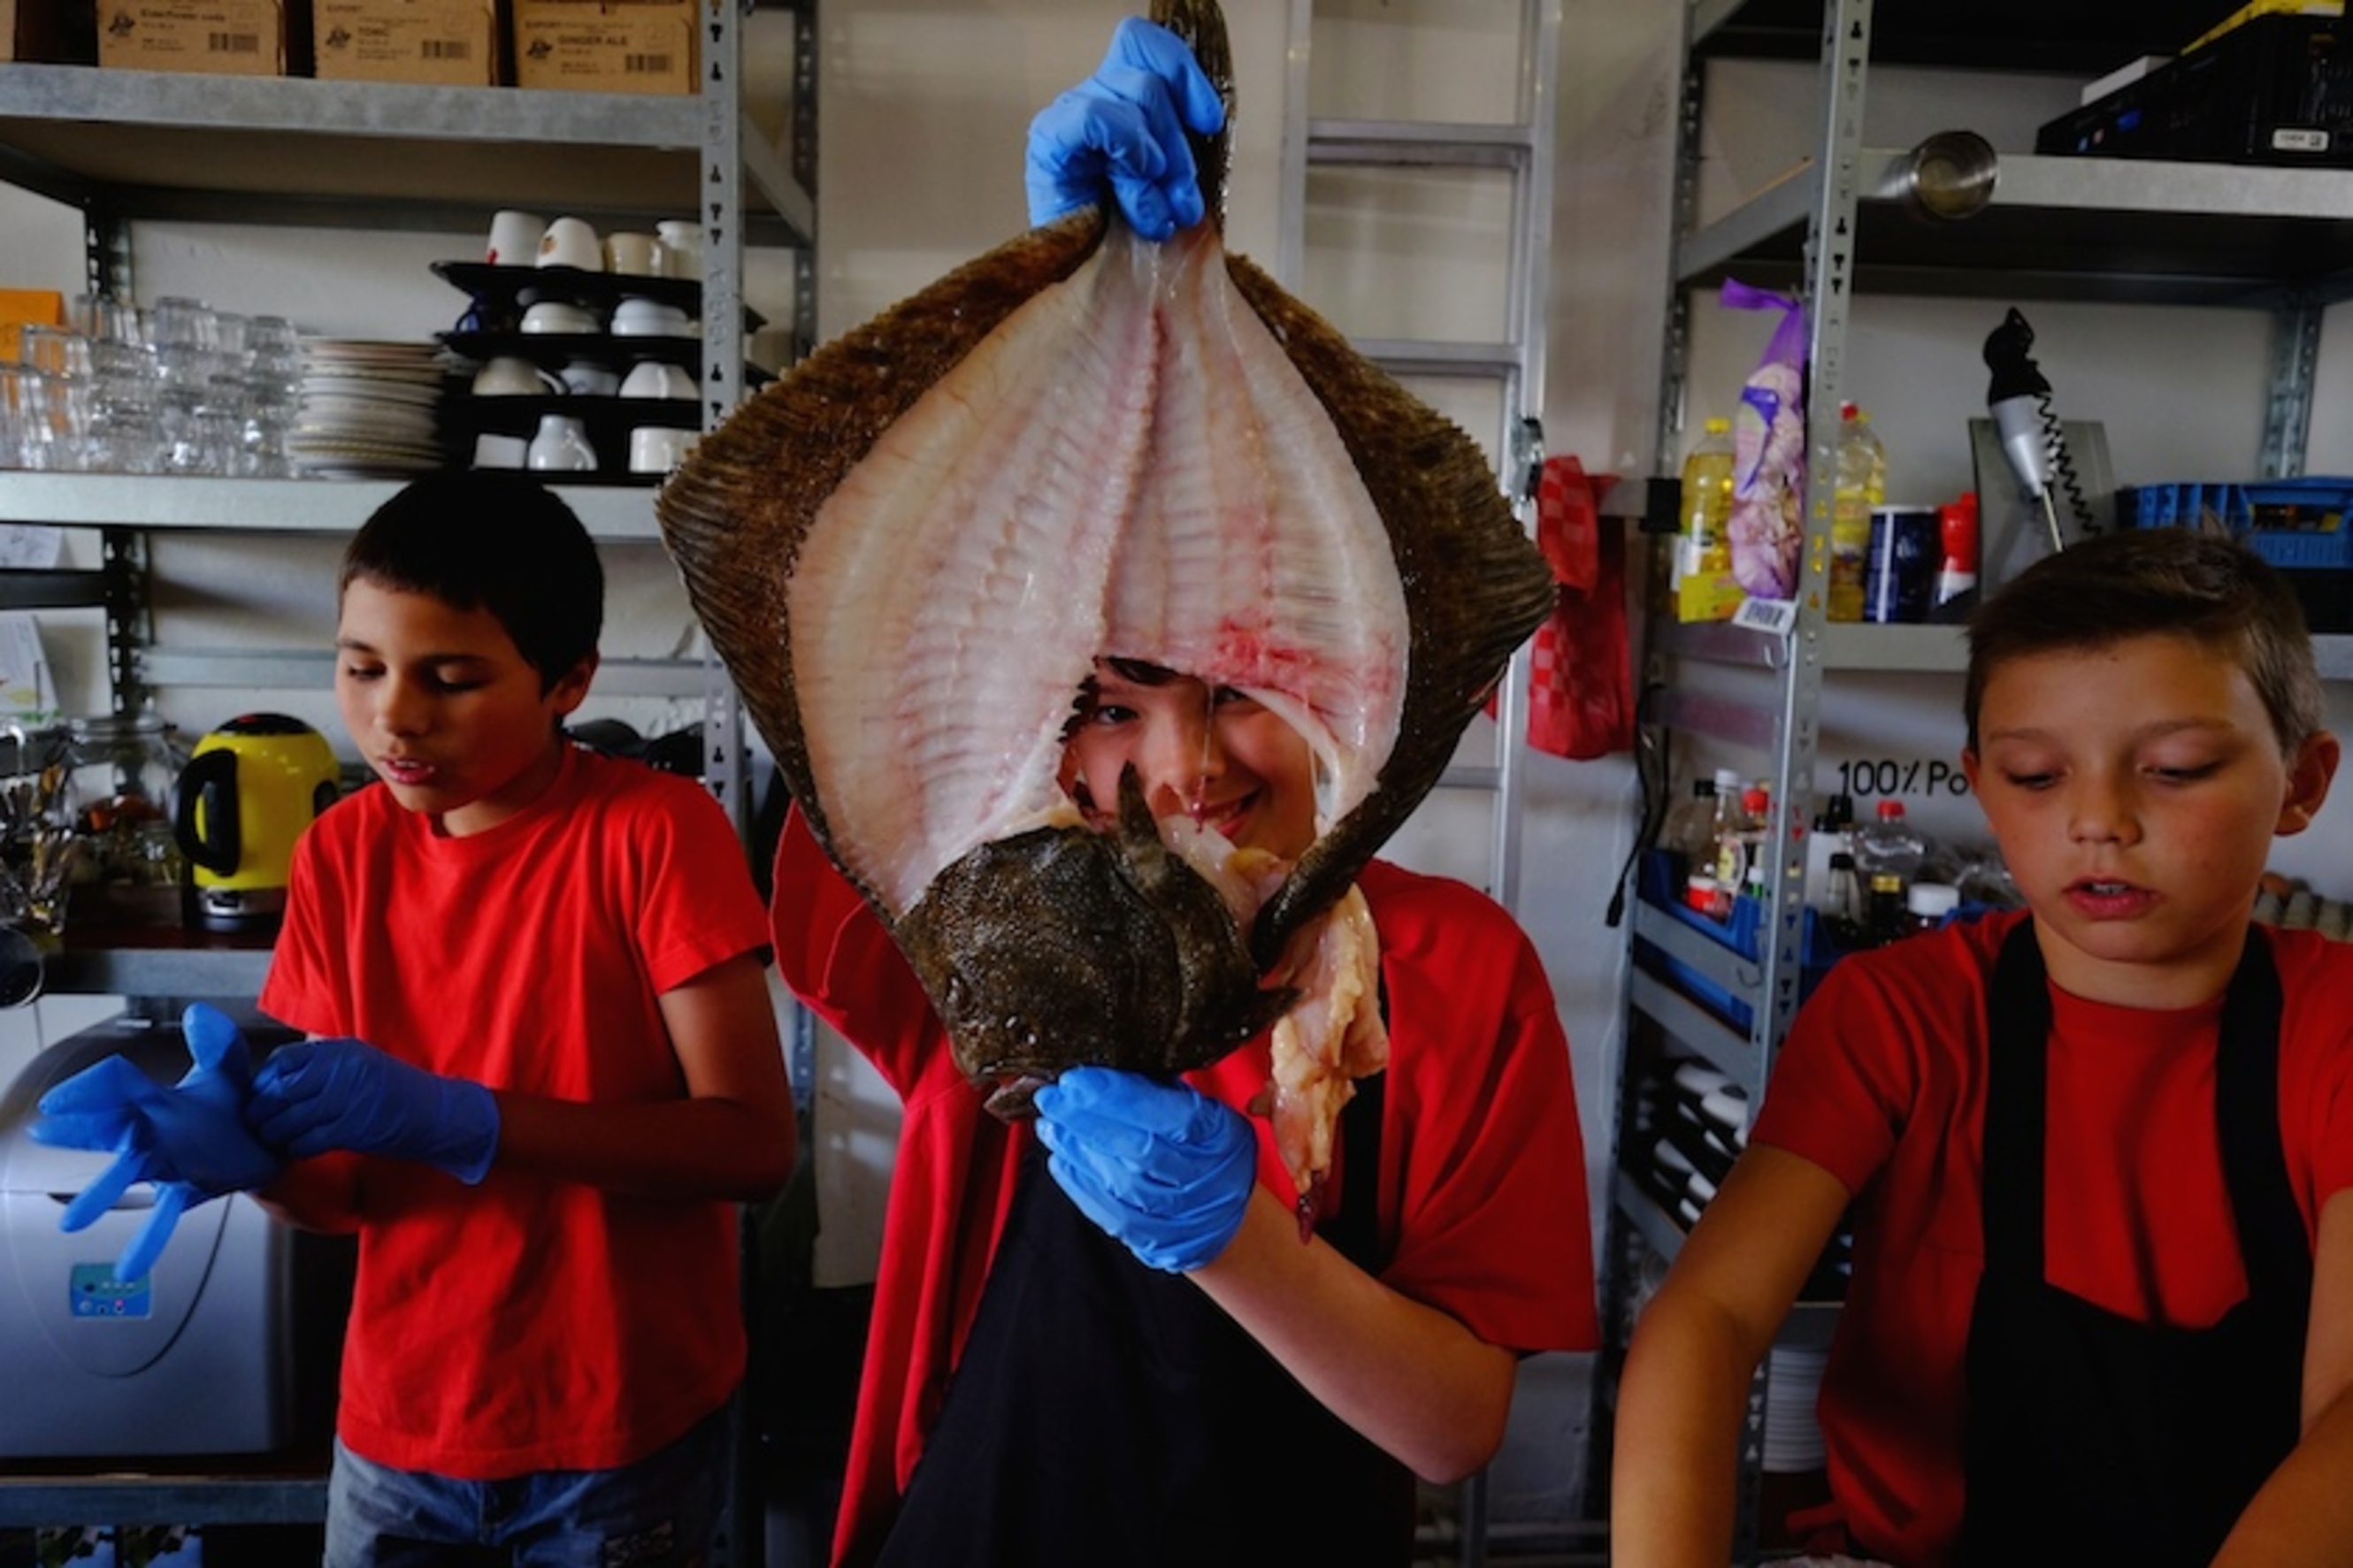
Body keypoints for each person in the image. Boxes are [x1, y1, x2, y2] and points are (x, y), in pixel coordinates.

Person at [772, 28, 1597, 1564]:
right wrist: (1050, 294)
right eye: (1120, 705)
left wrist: (1237, 1242)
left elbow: (1455, 1420)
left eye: (1249, 692)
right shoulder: (974, 925)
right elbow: (890, 688)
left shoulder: (1459, 976)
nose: (1195, 765)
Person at [47, 471, 796, 1567]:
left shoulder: (652, 832)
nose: (393, 714)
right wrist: (247, 1158)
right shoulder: (342, 854)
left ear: (568, 681)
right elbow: (344, 1195)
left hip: (614, 1434)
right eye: (360, 668)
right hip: (402, 1431)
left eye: (449, 679)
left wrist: (468, 1120)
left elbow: (751, 1147)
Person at [1611, 525, 2353, 1567]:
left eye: (2175, 769)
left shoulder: (2335, 1031)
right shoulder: (1900, 1017)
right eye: (2036, 776)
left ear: (2300, 782)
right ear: (1978, 779)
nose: (2098, 819)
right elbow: (1709, 1317)